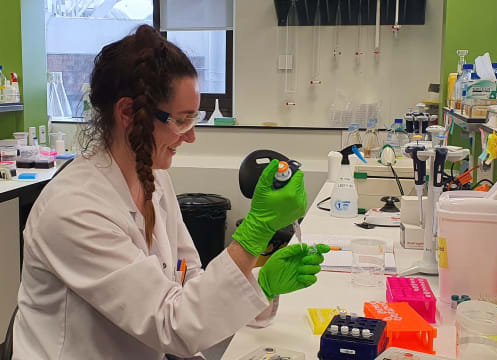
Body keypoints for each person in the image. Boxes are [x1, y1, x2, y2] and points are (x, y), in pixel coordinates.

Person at [13, 25, 329, 360]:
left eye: (194, 119)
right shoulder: (73, 209)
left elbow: (189, 284)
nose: (190, 137)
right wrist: (254, 234)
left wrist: (259, 285)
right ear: (128, 113)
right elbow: (172, 324)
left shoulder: (155, 179)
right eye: (181, 120)